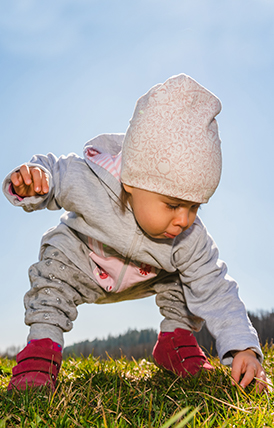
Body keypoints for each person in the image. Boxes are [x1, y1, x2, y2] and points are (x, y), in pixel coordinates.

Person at [3, 73, 267, 393]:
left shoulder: (188, 238)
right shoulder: (93, 181)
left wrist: (244, 348)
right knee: (53, 266)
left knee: (189, 279)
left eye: (195, 206)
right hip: (82, 263)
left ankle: (175, 341)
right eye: (173, 204)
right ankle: (42, 349)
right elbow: (55, 173)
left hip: (146, 274)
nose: (184, 219)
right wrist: (35, 180)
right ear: (131, 182)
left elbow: (217, 289)